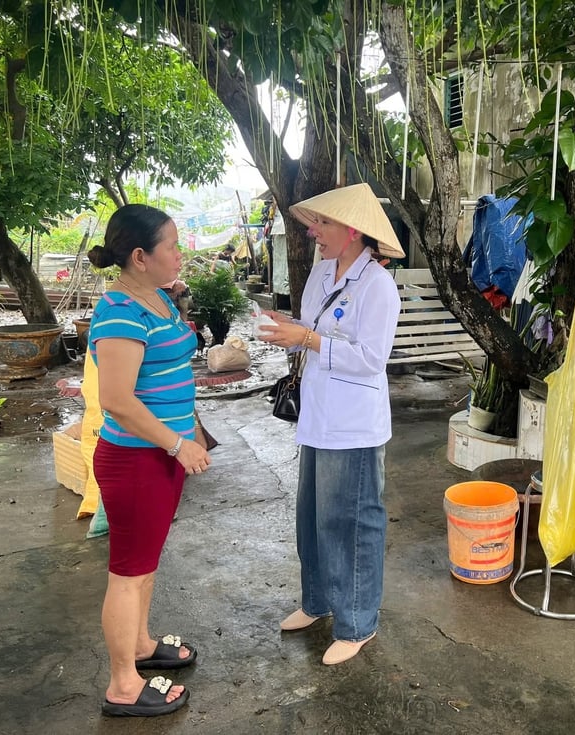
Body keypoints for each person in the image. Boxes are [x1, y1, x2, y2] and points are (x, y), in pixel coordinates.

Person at [257, 182, 403, 665]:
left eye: (324, 223)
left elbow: (371, 360)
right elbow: (310, 333)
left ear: (353, 230)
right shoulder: (320, 273)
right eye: (315, 222)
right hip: (317, 418)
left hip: (355, 424)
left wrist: (311, 339)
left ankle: (357, 622)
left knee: (352, 523)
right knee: (313, 520)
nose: (314, 232)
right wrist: (290, 335)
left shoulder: (378, 284)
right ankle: (317, 602)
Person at [87, 204, 211, 717]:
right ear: (140, 257)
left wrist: (178, 303)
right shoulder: (119, 312)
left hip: (160, 458)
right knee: (128, 572)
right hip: (136, 460)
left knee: (146, 565)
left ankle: (140, 645)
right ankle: (122, 685)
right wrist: (178, 444)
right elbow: (117, 398)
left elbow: (166, 360)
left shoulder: (157, 298)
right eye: (173, 247)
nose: (181, 254)